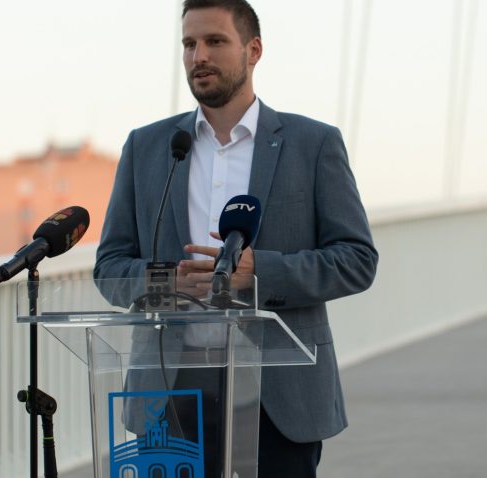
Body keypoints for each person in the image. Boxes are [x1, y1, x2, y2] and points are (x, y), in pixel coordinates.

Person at [94, 0, 378, 476]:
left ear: (254, 50)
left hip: (278, 399)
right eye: (189, 44)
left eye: (215, 41)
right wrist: (169, 283)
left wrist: (258, 272)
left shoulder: (313, 145)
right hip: (169, 394)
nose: (199, 56)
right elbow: (109, 268)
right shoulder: (148, 147)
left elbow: (356, 260)